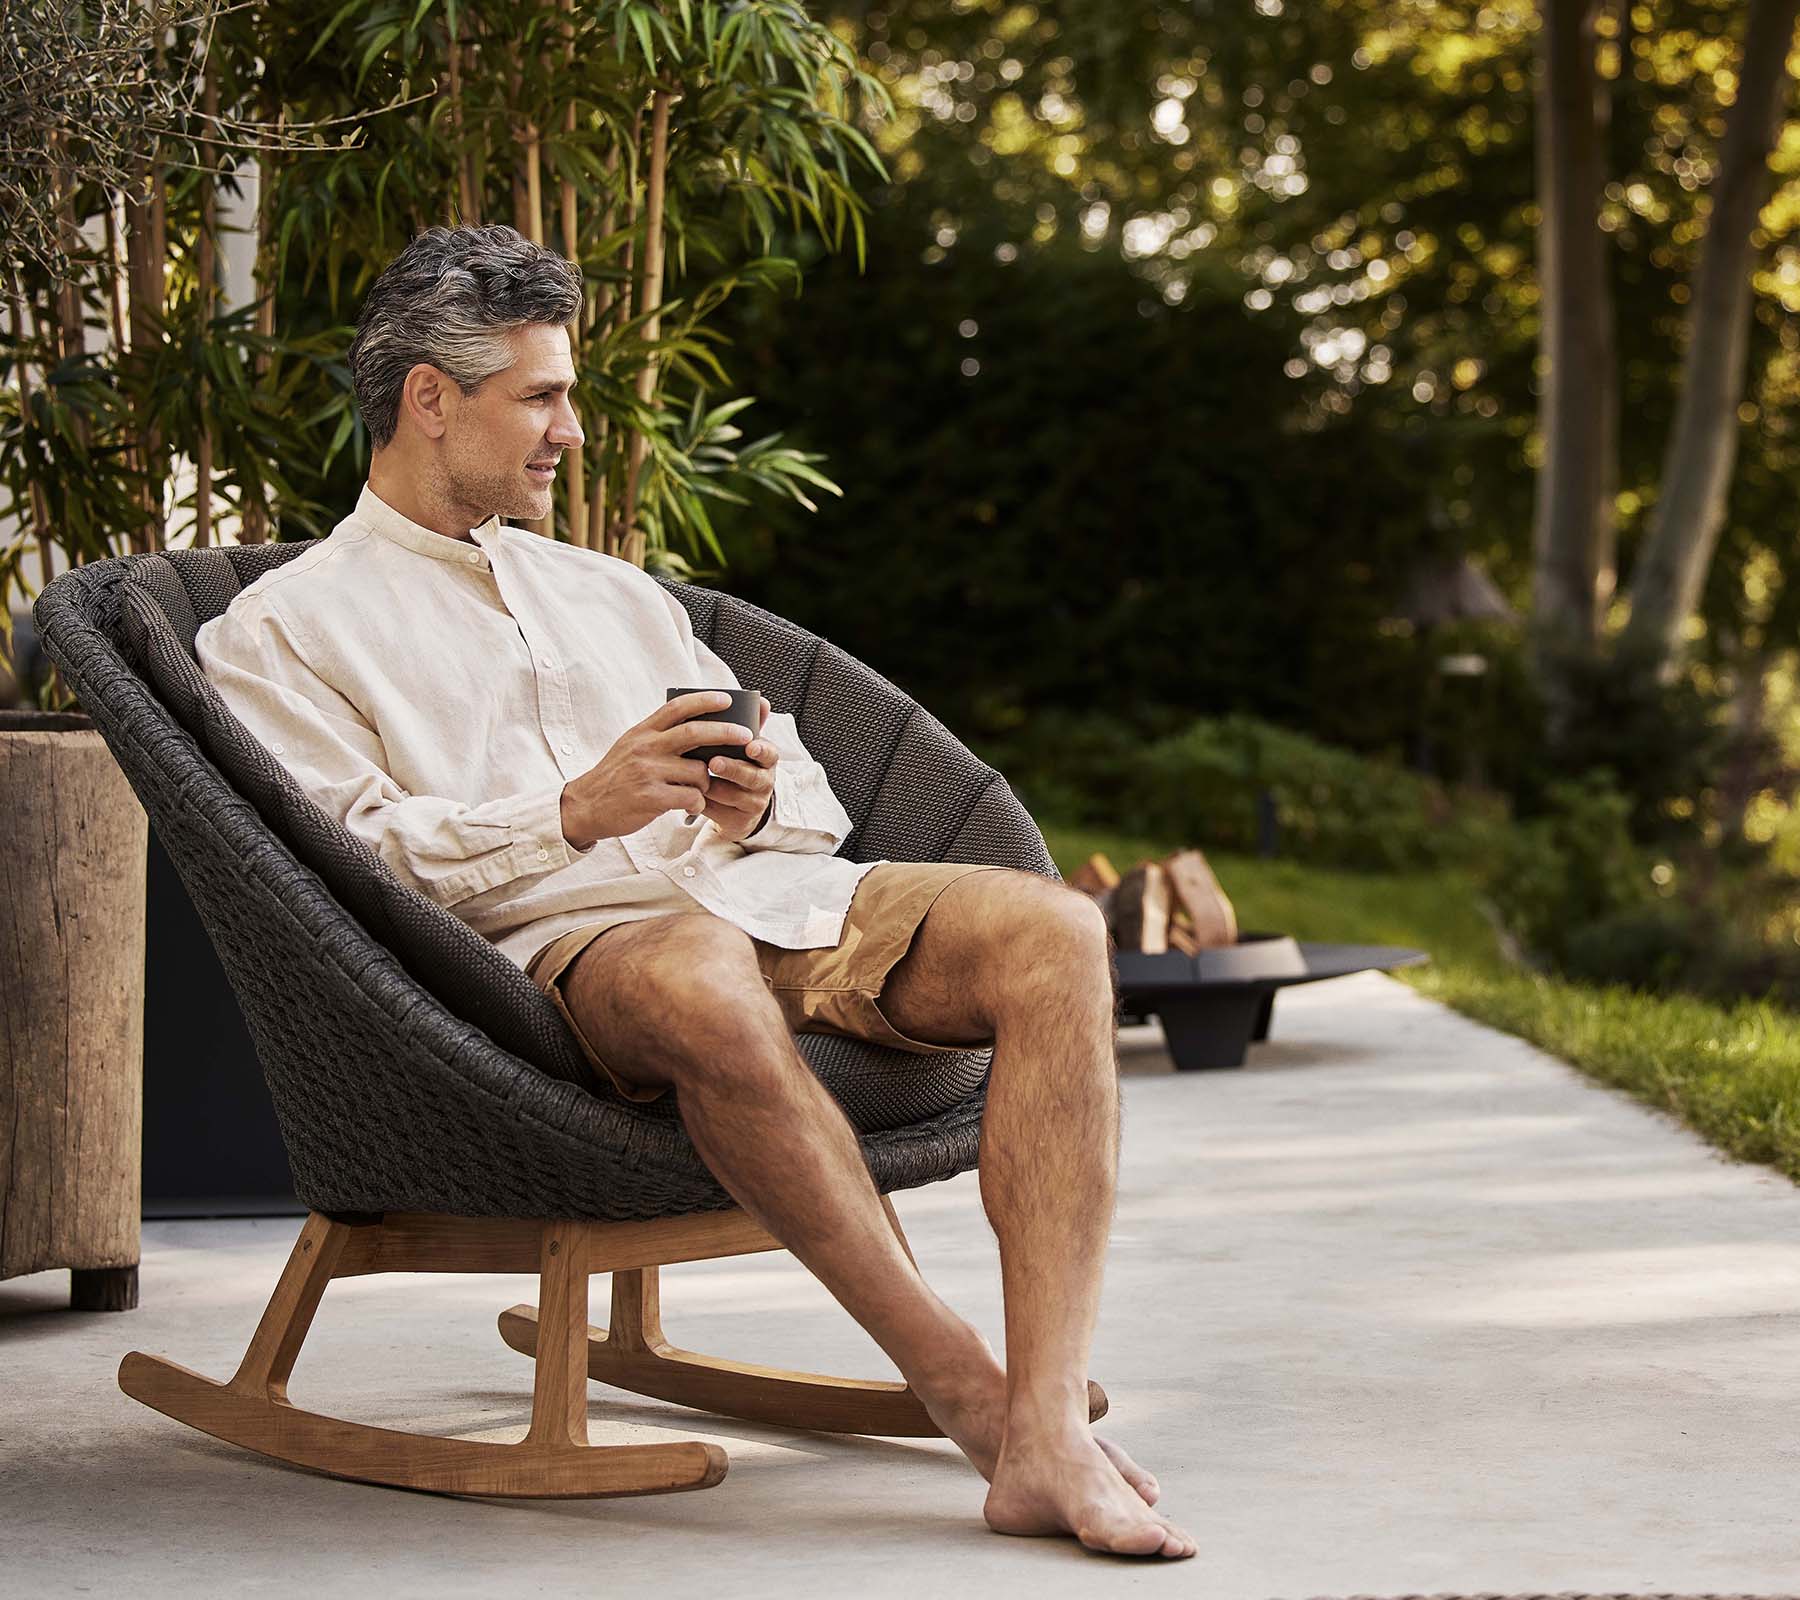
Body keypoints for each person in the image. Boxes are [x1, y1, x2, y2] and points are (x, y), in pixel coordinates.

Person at [194, 223, 1194, 1560]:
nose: (574, 430)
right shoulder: (283, 627)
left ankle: (1051, 1422)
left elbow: (817, 800)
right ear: (429, 402)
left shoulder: (612, 595)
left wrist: (757, 797)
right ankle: (971, 1397)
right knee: (697, 972)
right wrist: (573, 812)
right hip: (566, 954)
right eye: (541, 396)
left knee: (1057, 932)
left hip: (769, 901)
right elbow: (352, 861)